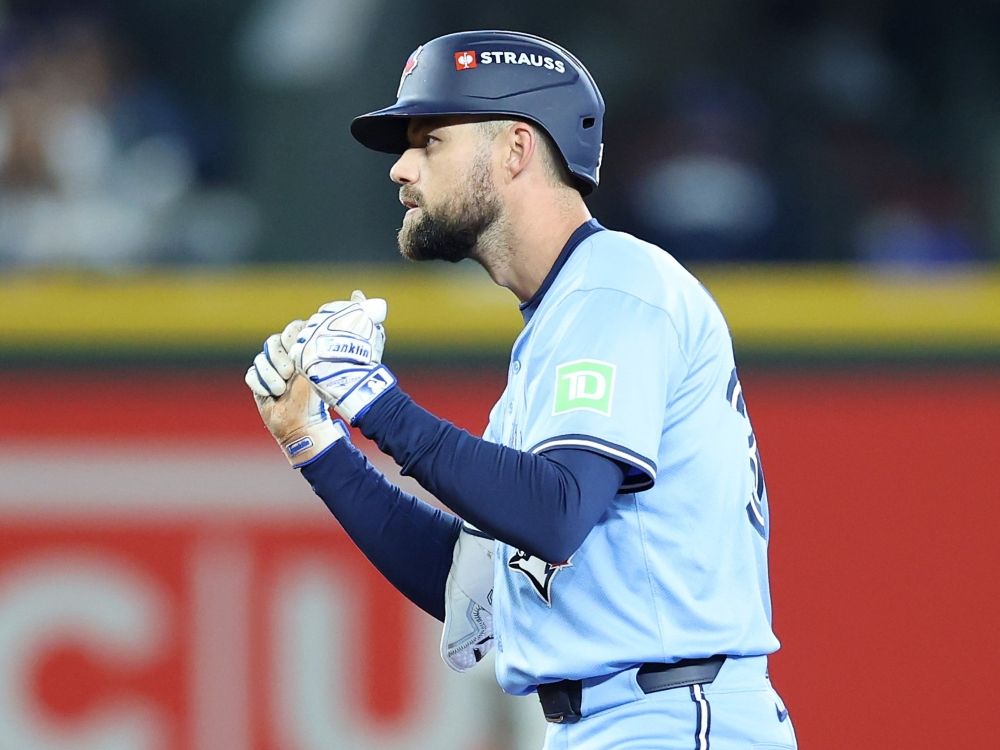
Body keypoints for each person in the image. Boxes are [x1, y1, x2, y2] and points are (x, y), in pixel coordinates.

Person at [245, 30, 796, 750]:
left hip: (669, 713)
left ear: (515, 149)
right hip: (611, 720)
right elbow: (474, 587)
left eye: (431, 139)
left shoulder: (617, 286)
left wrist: (374, 399)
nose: (402, 169)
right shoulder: (559, 327)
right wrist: (317, 445)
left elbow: (555, 512)